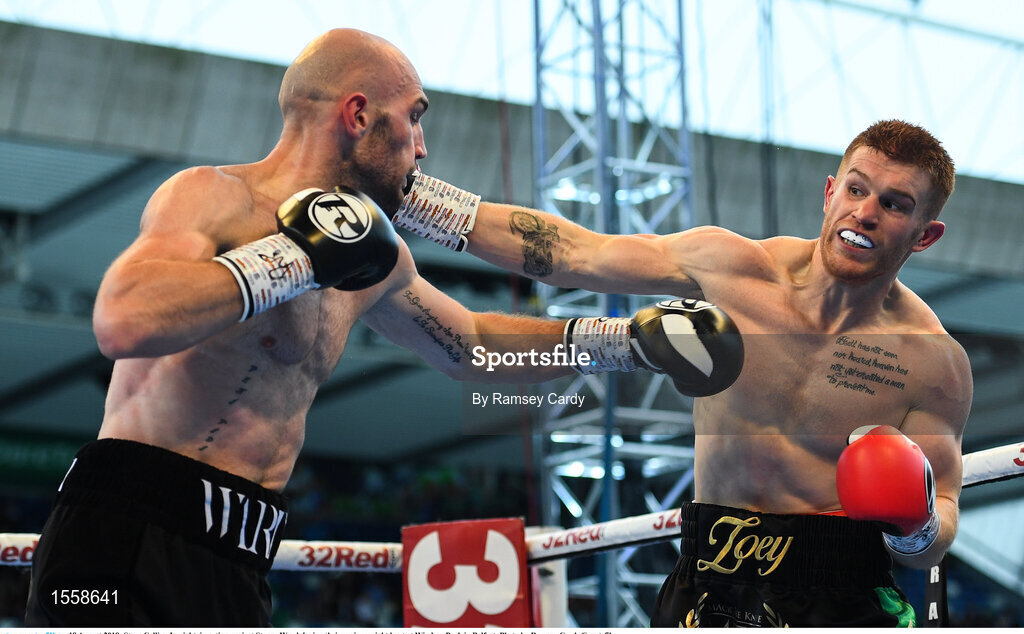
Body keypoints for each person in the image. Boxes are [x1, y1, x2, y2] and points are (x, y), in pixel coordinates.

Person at [22, 29, 730, 627]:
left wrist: (626, 343)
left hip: (238, 555)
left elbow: (472, 346)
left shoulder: (374, 255)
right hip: (124, 533)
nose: (422, 147)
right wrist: (294, 259)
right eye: (413, 117)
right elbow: (124, 319)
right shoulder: (215, 197)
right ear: (358, 115)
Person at [393, 119, 974, 627]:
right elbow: (576, 252)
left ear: (925, 235)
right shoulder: (734, 268)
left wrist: (916, 521)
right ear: (830, 192)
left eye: (895, 205)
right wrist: (408, 198)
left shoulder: (932, 362)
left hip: (840, 592)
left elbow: (937, 527)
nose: (865, 213)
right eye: (856, 189)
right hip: (708, 578)